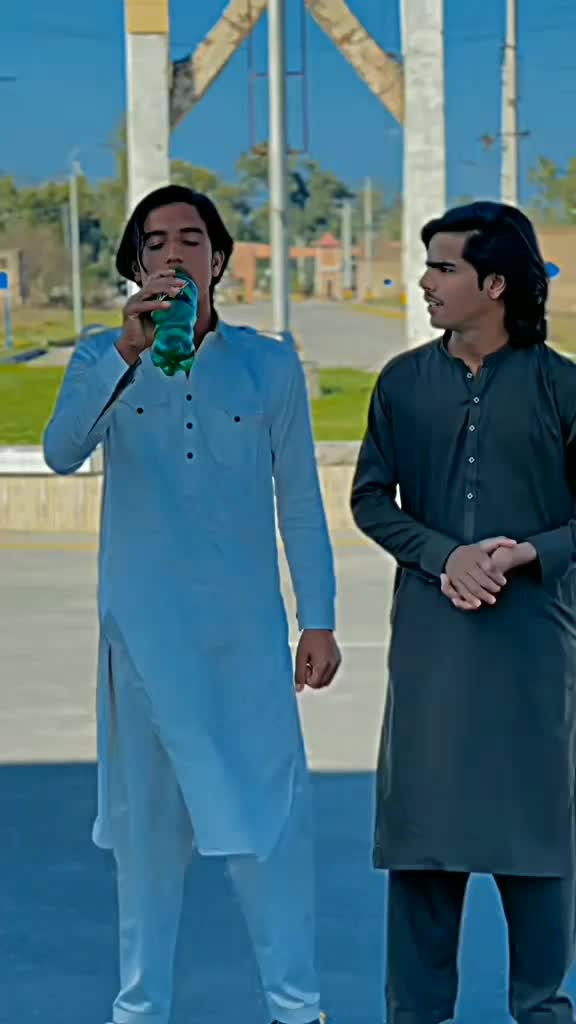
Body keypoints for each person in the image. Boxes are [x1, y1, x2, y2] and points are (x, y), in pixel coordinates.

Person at [44, 184, 341, 1024]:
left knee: (271, 829)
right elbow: (63, 453)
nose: (174, 253)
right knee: (145, 845)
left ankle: (297, 1008)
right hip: (141, 645)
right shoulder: (101, 357)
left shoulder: (268, 365)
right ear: (136, 264)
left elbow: (300, 502)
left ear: (219, 259)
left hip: (244, 646)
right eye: (155, 242)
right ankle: (139, 1010)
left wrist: (318, 618)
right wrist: (126, 352)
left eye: (191, 238)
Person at [350, 200, 576, 1024]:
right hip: (432, 650)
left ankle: (544, 1010)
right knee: (422, 841)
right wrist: (444, 555)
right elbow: (370, 498)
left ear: (496, 284)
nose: (425, 282)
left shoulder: (561, 386)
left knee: (539, 839)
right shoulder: (403, 383)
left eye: (444, 268)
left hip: (533, 649)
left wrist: (526, 554)